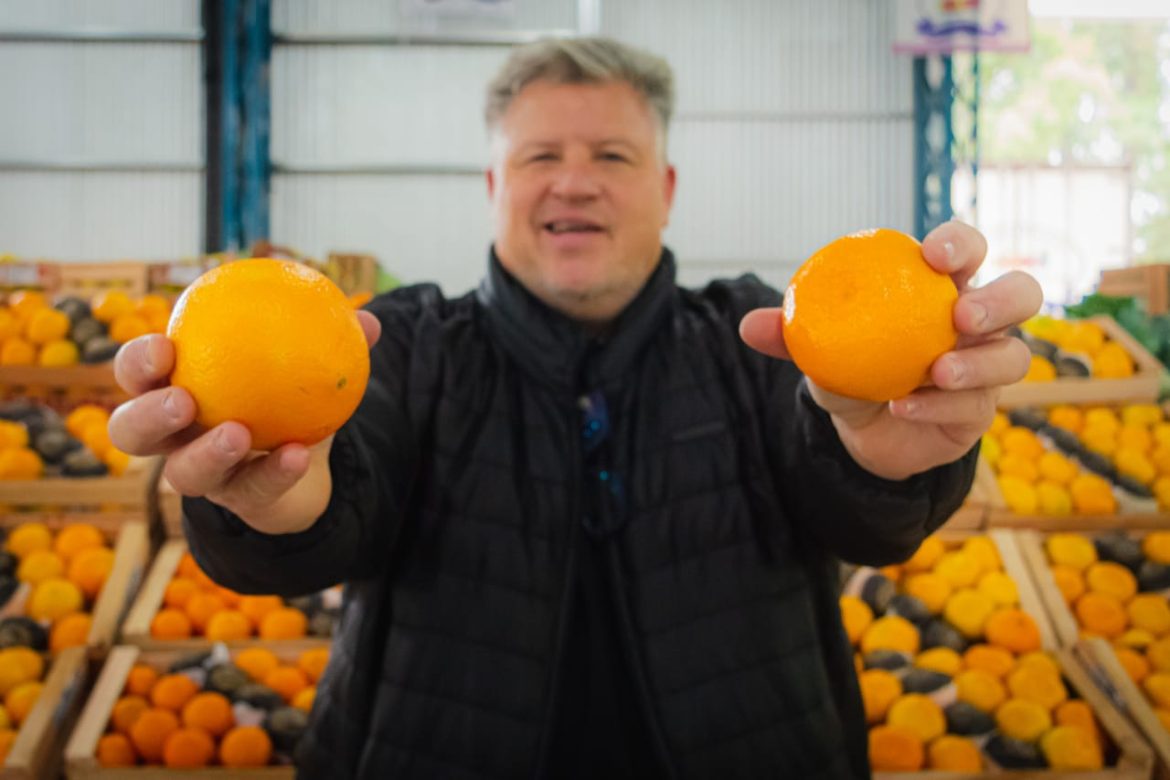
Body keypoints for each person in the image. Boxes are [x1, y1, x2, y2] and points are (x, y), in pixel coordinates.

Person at [110, 37, 1041, 779]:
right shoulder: (398, 345)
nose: (574, 180)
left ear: (666, 191)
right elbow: (338, 498)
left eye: (613, 155)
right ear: (494, 189)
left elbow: (852, 502)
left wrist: (892, 457)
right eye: (539, 155)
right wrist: (272, 500)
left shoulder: (764, 339)